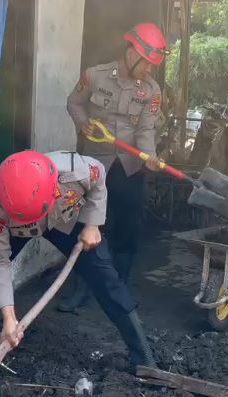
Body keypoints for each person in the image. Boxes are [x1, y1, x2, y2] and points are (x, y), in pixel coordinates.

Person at [0, 150, 156, 375]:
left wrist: (93, 223)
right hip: (15, 229)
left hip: (64, 219)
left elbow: (99, 176)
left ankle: (143, 355)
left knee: (104, 275)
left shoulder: (76, 170)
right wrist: (8, 316)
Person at [62, 22, 166, 312]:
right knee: (88, 224)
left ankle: (119, 288)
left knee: (128, 228)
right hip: (94, 166)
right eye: (146, 62)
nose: (149, 69)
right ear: (132, 52)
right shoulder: (95, 76)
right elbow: (74, 103)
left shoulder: (151, 90)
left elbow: (146, 131)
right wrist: (83, 124)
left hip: (130, 168)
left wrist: (151, 156)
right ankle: (81, 288)